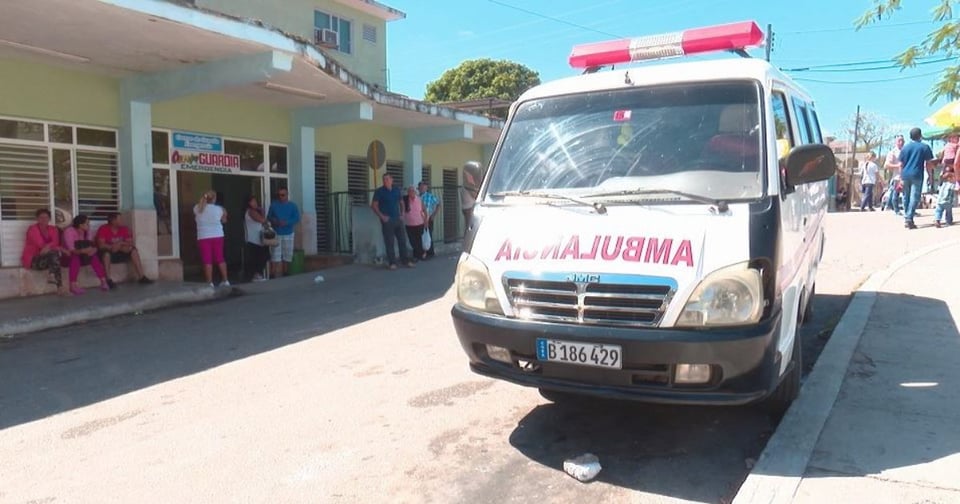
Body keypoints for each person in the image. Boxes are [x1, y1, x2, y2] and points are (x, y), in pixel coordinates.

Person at [95, 212, 152, 287]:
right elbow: (101, 245)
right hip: (109, 252)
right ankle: (108, 280)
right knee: (106, 254)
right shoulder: (103, 228)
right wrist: (112, 247)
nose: (122, 221)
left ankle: (142, 277)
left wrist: (120, 244)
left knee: (133, 250)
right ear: (113, 220)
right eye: (120, 219)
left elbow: (130, 242)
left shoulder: (124, 228)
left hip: (120, 251)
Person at [371, 173, 413, 270]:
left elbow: (401, 202)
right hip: (387, 220)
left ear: (391, 180)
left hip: (398, 218)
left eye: (387, 179)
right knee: (389, 242)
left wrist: (402, 213)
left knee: (402, 240)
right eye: (384, 179)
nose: (385, 181)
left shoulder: (396, 190)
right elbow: (374, 205)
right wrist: (382, 216)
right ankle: (392, 262)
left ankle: (405, 260)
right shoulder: (379, 191)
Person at [62, 214, 110, 295]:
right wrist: (83, 251)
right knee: (75, 258)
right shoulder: (69, 231)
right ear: (80, 225)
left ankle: (103, 281)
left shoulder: (88, 231)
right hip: (68, 256)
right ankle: (73, 286)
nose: (89, 225)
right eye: (87, 223)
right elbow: (72, 250)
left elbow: (91, 245)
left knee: (93, 256)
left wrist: (93, 250)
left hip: (84, 255)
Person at [899, 127, 936, 229]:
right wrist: (930, 176)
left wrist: (900, 177)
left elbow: (901, 164)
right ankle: (909, 218)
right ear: (920, 135)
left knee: (906, 196)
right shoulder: (924, 147)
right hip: (917, 174)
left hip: (905, 174)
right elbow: (928, 163)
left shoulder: (905, 148)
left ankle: (907, 216)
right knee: (914, 197)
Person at [21, 208, 64, 290]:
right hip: (33, 260)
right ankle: (59, 287)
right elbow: (40, 244)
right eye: (41, 217)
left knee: (54, 256)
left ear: (49, 219)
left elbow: (56, 242)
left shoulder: (53, 229)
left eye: (46, 217)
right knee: (55, 255)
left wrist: (48, 247)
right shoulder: (32, 229)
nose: (44, 219)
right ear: (37, 219)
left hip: (48, 258)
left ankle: (53, 276)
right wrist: (50, 246)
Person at [194, 190, 230, 288]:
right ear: (214, 199)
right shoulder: (219, 209)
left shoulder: (197, 208)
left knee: (207, 260)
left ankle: (209, 283)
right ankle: (225, 280)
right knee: (220, 258)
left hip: (203, 237)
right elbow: (224, 220)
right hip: (218, 235)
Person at [267, 187, 300, 278]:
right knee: (275, 254)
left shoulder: (293, 206)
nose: (280, 197)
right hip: (277, 233)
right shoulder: (273, 205)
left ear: (287, 195)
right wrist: (275, 221)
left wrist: (286, 222)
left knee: (287, 254)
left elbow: (297, 218)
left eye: (282, 195)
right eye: (279, 195)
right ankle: (272, 274)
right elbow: (269, 217)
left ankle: (286, 272)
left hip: (288, 233)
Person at [244, 194, 270, 282]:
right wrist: (262, 211)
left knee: (263, 256)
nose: (255, 203)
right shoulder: (251, 212)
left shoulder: (254, 211)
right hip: (254, 239)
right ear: (249, 203)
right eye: (253, 201)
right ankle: (256, 275)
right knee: (258, 258)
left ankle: (257, 274)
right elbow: (262, 220)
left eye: (255, 201)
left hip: (259, 239)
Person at [403, 186, 428, 260]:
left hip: (419, 223)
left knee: (419, 240)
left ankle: (418, 255)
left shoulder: (419, 199)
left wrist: (426, 220)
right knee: (412, 241)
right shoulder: (405, 200)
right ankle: (421, 253)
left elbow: (424, 210)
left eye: (413, 191)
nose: (411, 193)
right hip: (409, 224)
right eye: (410, 191)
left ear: (415, 192)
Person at [418, 181, 440, 258]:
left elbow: (438, 204)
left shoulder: (430, 196)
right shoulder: (417, 197)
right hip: (420, 219)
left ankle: (430, 253)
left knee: (428, 235)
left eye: (424, 187)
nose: (422, 189)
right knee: (421, 235)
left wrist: (434, 215)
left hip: (428, 218)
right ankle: (422, 252)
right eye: (420, 187)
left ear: (426, 188)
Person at [885, 135, 904, 214]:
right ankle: (896, 210)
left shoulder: (906, 150)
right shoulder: (893, 152)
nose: (901, 142)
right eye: (899, 140)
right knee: (895, 194)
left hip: (906, 176)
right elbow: (886, 165)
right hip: (897, 177)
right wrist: (897, 166)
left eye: (902, 140)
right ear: (896, 142)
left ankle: (909, 210)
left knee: (907, 194)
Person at [460, 161, 482, 226]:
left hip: (468, 208)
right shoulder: (467, 186)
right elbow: (476, 196)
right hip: (469, 209)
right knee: (470, 227)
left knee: (470, 226)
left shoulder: (468, 185)